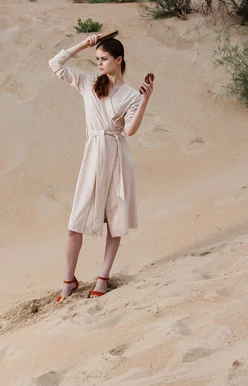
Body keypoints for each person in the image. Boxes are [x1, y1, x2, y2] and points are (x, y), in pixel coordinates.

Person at [48, 33, 154, 303]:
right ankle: (69, 281)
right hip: (93, 155)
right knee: (75, 223)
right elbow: (56, 64)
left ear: (119, 60)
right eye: (96, 59)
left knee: (115, 223)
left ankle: (103, 279)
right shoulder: (87, 83)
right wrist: (84, 44)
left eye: (104, 59)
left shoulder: (131, 95)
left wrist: (144, 101)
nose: (98, 63)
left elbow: (130, 130)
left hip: (117, 158)